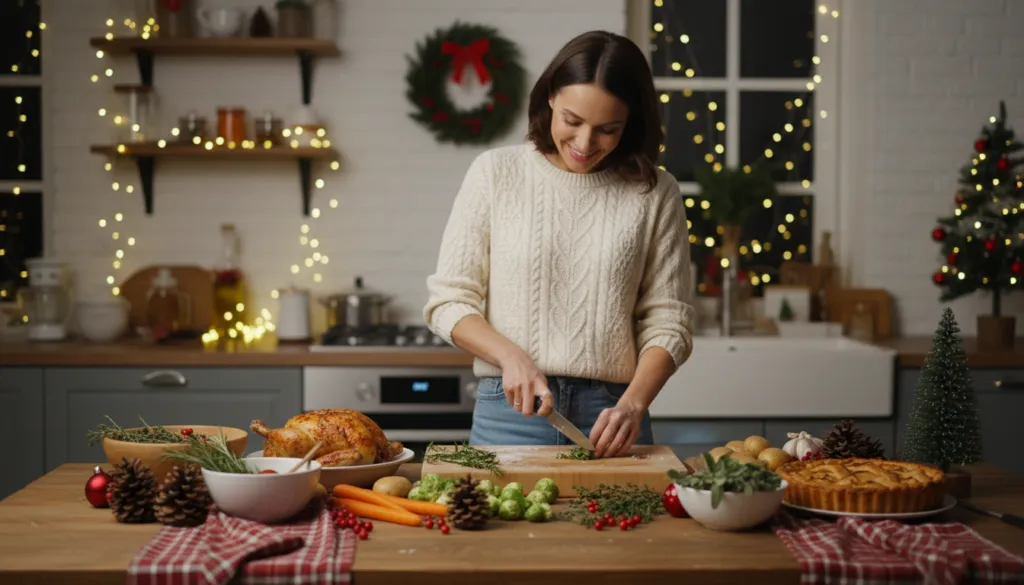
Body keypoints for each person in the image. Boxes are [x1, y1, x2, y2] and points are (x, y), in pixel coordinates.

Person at [423, 30, 695, 458]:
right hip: (510, 410)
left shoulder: (655, 193)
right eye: (573, 121)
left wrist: (634, 404)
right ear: (549, 96)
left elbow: (669, 321)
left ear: (632, 122)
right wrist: (510, 356)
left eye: (608, 129)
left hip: (614, 416)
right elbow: (449, 300)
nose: (585, 144)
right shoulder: (495, 174)